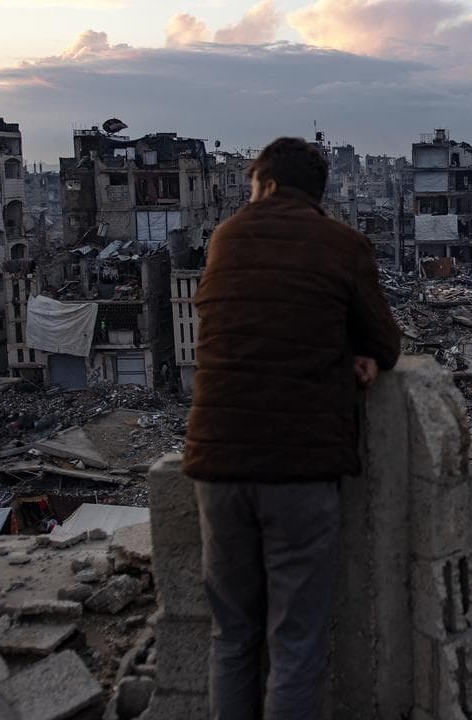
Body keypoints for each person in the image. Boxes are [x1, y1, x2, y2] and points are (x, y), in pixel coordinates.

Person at [184, 137, 401, 720]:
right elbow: (386, 343)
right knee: (296, 643)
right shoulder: (343, 244)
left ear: (269, 185)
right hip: (300, 470)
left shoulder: (225, 238)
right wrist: (352, 350)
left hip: (217, 466)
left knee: (232, 636)